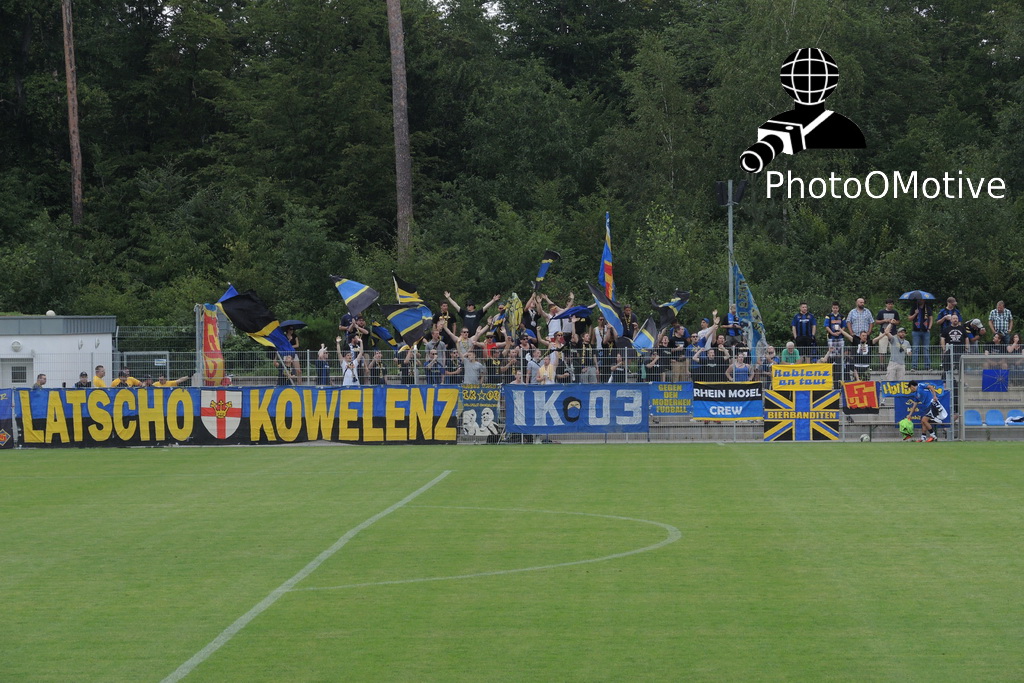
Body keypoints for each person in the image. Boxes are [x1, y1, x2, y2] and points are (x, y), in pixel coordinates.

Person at [909, 297, 932, 370]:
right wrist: (915, 313)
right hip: (916, 331)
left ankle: (927, 367)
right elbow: (909, 318)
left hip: (925, 331)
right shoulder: (914, 307)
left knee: (926, 349)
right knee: (915, 349)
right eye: (918, 299)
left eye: (921, 299)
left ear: (924, 300)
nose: (919, 300)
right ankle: (914, 367)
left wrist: (929, 327)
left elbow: (931, 318)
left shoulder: (927, 308)